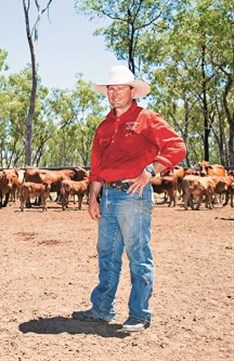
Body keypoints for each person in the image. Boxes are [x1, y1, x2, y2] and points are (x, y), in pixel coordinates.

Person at [72, 65, 186, 332]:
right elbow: (97, 165)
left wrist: (150, 171)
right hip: (108, 196)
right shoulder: (104, 125)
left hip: (133, 196)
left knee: (138, 254)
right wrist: (93, 197)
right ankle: (102, 309)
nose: (114, 93)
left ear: (132, 91)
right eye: (110, 89)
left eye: (120, 88)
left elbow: (176, 146)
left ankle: (139, 313)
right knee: (107, 254)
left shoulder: (147, 118)